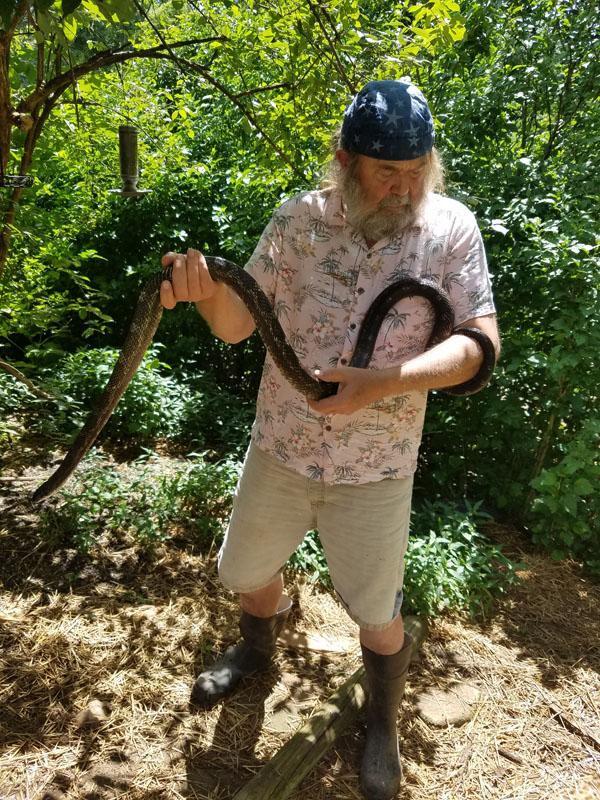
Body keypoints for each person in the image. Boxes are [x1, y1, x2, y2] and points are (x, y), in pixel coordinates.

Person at [160, 79, 500, 800]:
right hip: (280, 447)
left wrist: (383, 382)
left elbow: (478, 345)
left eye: (416, 173)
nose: (404, 189)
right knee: (244, 573)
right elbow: (234, 322)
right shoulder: (296, 222)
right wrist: (203, 290)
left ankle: (382, 722)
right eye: (387, 174)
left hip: (376, 469)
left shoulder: (450, 231)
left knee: (376, 614)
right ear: (346, 160)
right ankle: (258, 651)